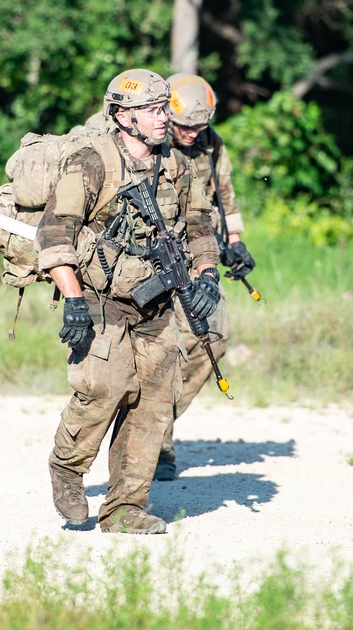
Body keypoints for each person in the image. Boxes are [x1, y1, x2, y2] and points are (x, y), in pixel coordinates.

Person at [38, 69, 220, 534]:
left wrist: (207, 275)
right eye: (154, 111)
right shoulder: (92, 161)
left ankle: (124, 508)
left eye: (165, 109)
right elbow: (56, 232)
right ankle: (68, 467)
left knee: (154, 402)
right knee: (104, 387)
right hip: (100, 296)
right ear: (122, 116)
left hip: (157, 301)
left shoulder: (177, 165)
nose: (165, 119)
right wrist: (73, 299)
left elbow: (199, 224)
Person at [154, 73, 256, 481]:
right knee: (155, 348)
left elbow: (224, 194)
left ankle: (154, 424)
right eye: (185, 127)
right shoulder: (150, 140)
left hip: (200, 254)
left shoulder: (210, 143)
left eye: (200, 126)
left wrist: (235, 241)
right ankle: (154, 442)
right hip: (153, 255)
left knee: (213, 337)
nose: (193, 134)